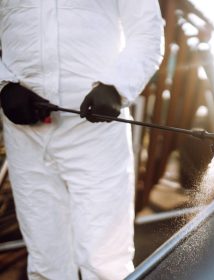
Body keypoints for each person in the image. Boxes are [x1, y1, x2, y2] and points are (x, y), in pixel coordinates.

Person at [0, 0, 163, 279]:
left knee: (105, 263)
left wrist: (116, 86)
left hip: (95, 132)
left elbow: (147, 30)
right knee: (45, 261)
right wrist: (3, 83)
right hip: (25, 135)